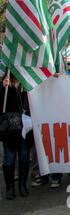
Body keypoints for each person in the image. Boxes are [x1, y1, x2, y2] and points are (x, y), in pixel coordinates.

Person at [1, 72, 33, 200]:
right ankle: (10, 187)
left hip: (25, 128)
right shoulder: (5, 86)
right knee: (9, 157)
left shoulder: (27, 86)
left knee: (24, 156)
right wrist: (3, 88)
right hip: (10, 129)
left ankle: (22, 185)